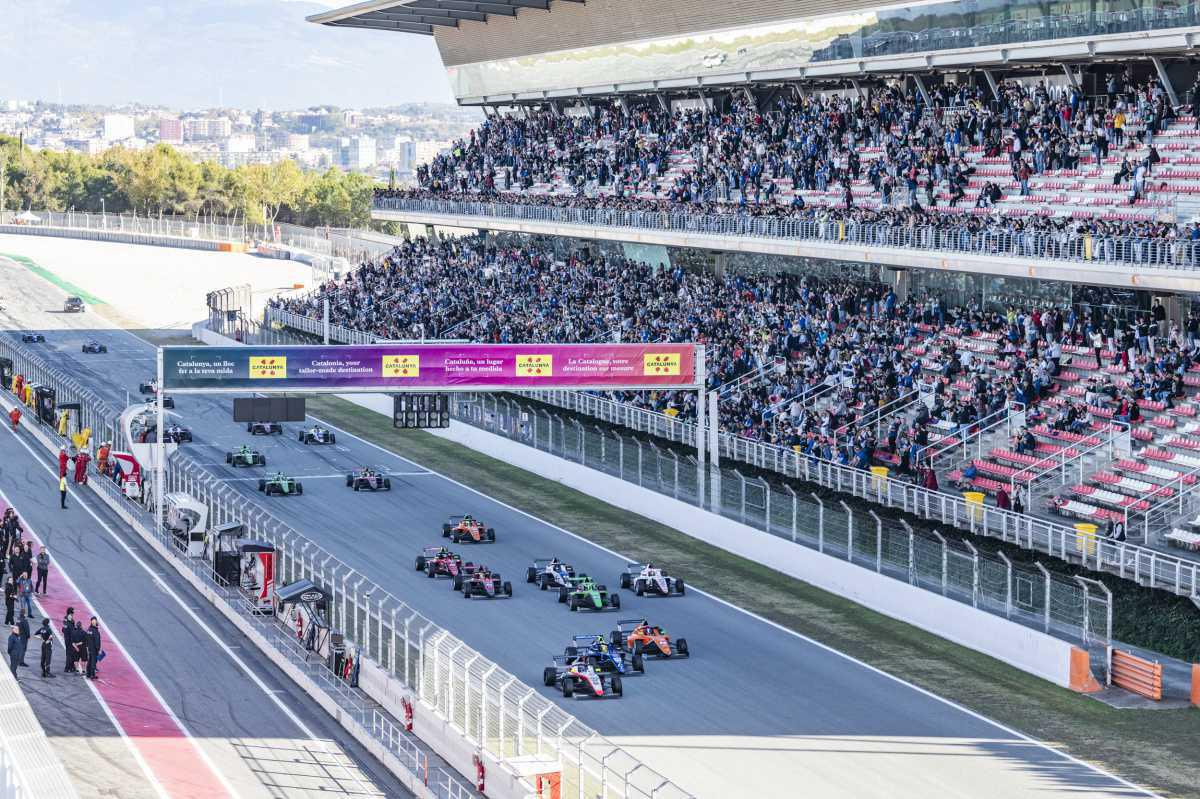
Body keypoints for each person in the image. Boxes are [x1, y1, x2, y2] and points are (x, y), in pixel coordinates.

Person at [61, 607, 75, 673]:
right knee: (70, 654)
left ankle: (72, 666)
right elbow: (72, 632)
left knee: (70, 653)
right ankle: (67, 668)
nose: (73, 615)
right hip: (70, 640)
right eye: (72, 613)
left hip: (66, 638)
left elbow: (63, 630)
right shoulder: (70, 623)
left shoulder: (65, 619)